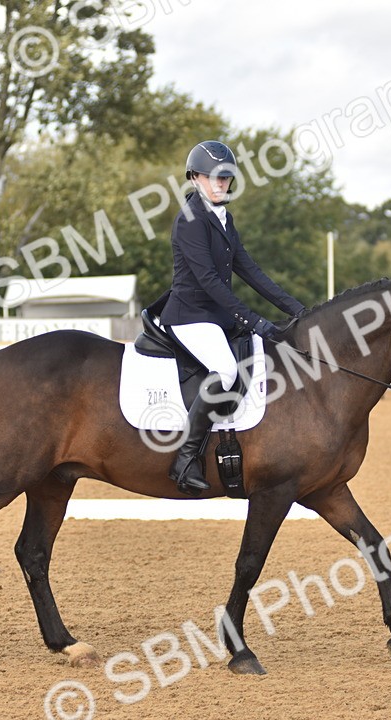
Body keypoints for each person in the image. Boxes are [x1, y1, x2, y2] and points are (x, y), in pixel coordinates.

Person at [162, 140, 306, 495]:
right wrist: (254, 319)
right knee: (226, 370)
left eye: (226, 178)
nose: (220, 184)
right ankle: (186, 457)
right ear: (195, 178)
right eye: (213, 177)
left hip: (216, 316)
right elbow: (210, 281)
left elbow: (250, 271)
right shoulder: (190, 220)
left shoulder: (224, 217)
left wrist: (298, 309)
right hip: (190, 316)